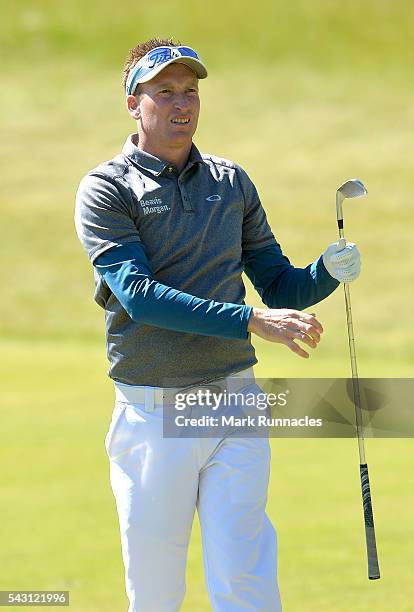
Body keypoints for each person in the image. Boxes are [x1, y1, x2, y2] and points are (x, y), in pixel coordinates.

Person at [75, 38, 361, 612]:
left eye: (191, 92)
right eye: (165, 92)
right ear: (134, 102)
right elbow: (140, 297)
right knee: (156, 593)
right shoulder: (107, 189)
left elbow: (279, 284)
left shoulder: (230, 183)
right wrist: (251, 320)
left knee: (246, 580)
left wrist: (325, 272)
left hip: (235, 399)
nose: (182, 104)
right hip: (153, 408)